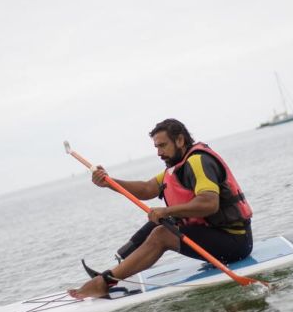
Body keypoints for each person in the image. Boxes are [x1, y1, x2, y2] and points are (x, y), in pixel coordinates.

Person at [68, 118, 254, 299]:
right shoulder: (176, 168)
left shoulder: (198, 161)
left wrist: (166, 211)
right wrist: (109, 182)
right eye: (156, 147)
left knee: (162, 233)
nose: (158, 152)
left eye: (162, 145)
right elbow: (147, 188)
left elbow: (209, 204)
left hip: (235, 242)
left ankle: (105, 281)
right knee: (156, 224)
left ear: (180, 140)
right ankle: (117, 270)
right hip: (214, 235)